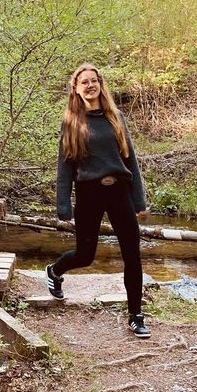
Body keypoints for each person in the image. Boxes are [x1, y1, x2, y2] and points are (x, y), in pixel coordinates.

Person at [46, 63, 150, 338]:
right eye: (85, 82)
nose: (90, 85)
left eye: (94, 81)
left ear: (100, 84)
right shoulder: (72, 122)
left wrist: (139, 199)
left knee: (132, 255)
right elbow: (65, 166)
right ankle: (55, 271)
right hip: (89, 193)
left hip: (119, 192)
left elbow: (130, 159)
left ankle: (136, 315)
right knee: (85, 256)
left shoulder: (116, 117)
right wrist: (62, 204)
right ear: (76, 89)